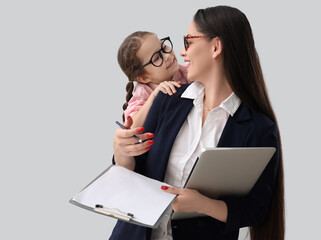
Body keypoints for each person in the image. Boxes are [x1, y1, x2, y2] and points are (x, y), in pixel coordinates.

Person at [111, 5, 285, 240]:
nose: (182, 53)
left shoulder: (257, 127)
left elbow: (257, 209)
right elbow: (133, 170)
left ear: (215, 47)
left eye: (189, 42)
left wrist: (204, 205)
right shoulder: (166, 99)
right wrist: (122, 153)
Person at [118, 31, 190, 127]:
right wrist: (154, 97)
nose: (167, 55)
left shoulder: (186, 71)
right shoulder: (144, 92)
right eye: (156, 58)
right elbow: (131, 126)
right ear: (144, 78)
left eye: (164, 47)